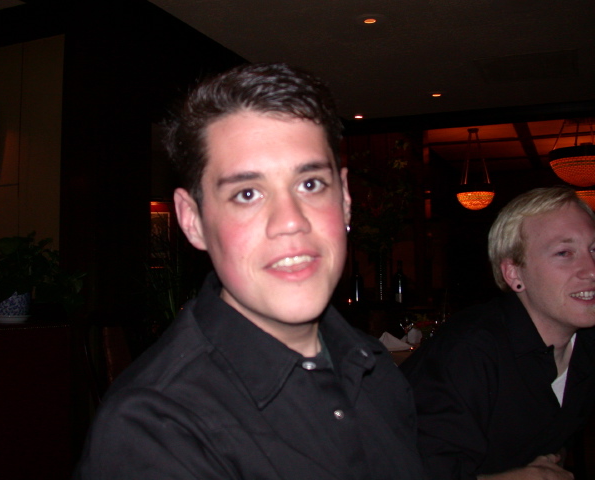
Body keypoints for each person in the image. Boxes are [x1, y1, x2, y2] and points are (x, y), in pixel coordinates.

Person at [74, 62, 423, 479]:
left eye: (310, 184)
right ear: (192, 221)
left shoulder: (374, 366)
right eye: (247, 193)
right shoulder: (153, 431)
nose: (290, 221)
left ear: (345, 198)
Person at [401, 185, 595, 480]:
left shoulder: (584, 345)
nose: (591, 269)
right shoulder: (468, 352)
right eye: (564, 253)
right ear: (514, 273)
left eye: (594, 250)